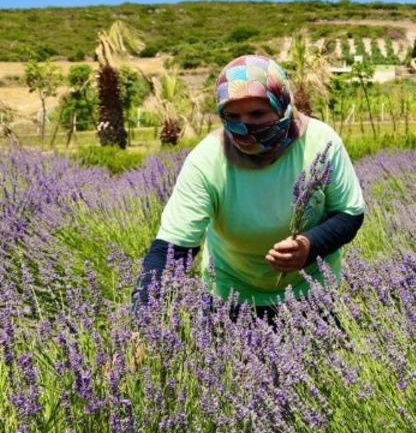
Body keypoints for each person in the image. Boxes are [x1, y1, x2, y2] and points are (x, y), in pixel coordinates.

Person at [134, 55, 366, 322]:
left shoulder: (320, 143)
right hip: (231, 293)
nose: (245, 126)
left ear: (282, 105)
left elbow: (349, 214)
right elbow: (173, 248)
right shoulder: (208, 159)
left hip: (311, 291)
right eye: (232, 116)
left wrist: (308, 246)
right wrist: (143, 319)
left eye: (257, 113)